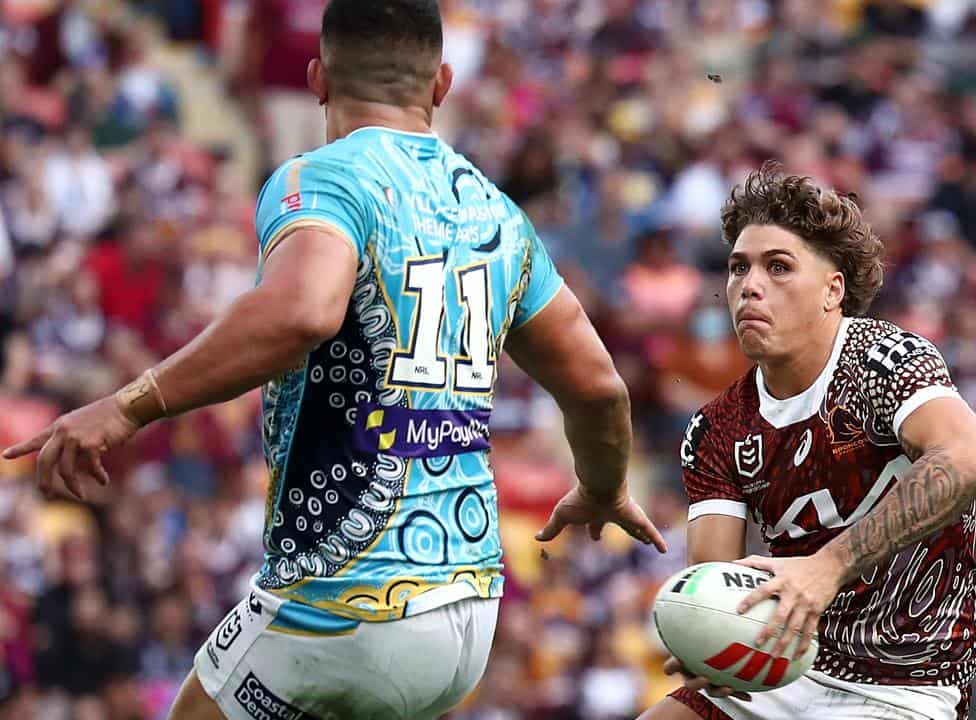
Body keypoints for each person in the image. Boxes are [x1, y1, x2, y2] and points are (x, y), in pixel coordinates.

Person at [2, 1, 667, 718]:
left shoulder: (322, 179)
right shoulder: (497, 213)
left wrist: (128, 404)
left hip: (346, 601)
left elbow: (302, 311)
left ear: (318, 78)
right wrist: (602, 486)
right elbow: (600, 389)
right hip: (470, 612)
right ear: (441, 84)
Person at [640, 164, 976, 720]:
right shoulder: (715, 429)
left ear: (833, 291)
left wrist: (827, 566)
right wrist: (704, 640)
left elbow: (968, 461)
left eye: (778, 267)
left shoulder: (884, 359)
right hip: (782, 668)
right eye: (738, 268)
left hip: (905, 682)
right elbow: (715, 577)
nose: (749, 286)